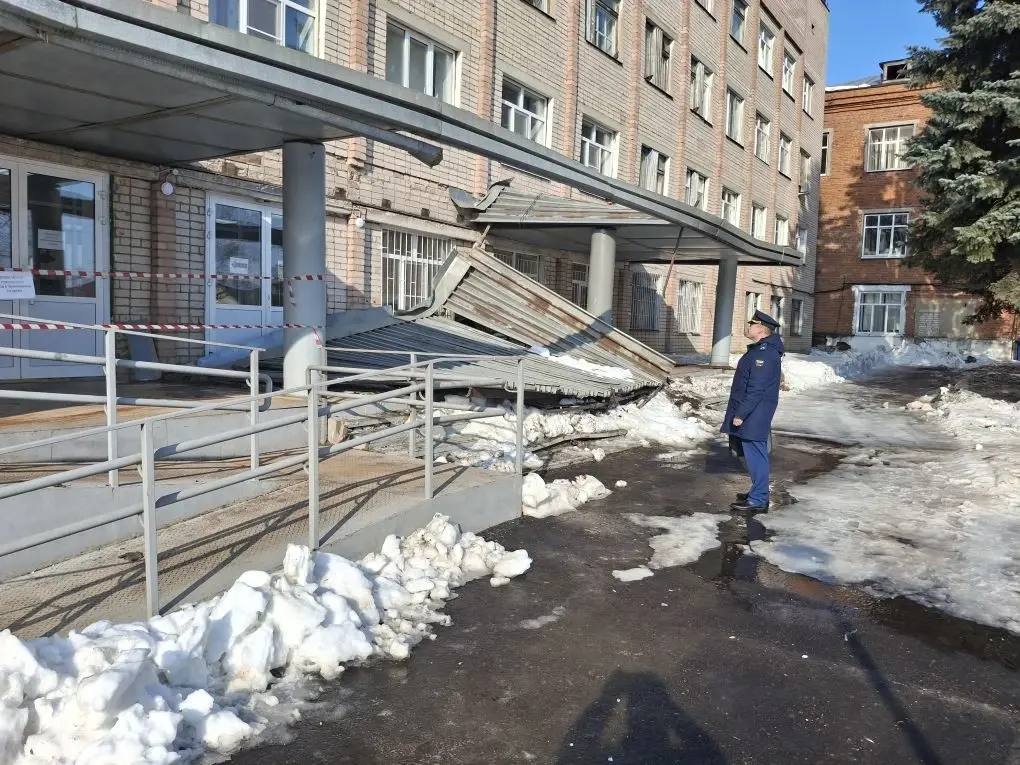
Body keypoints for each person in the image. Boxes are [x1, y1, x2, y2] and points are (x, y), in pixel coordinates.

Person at [721, 309, 784, 512]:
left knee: (756, 455)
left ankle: (759, 499)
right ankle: (759, 492)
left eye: (752, 324)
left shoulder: (764, 354)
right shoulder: (761, 350)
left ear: (761, 329)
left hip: (755, 412)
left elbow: (757, 389)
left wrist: (741, 414)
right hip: (755, 411)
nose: (749, 327)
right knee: (753, 454)